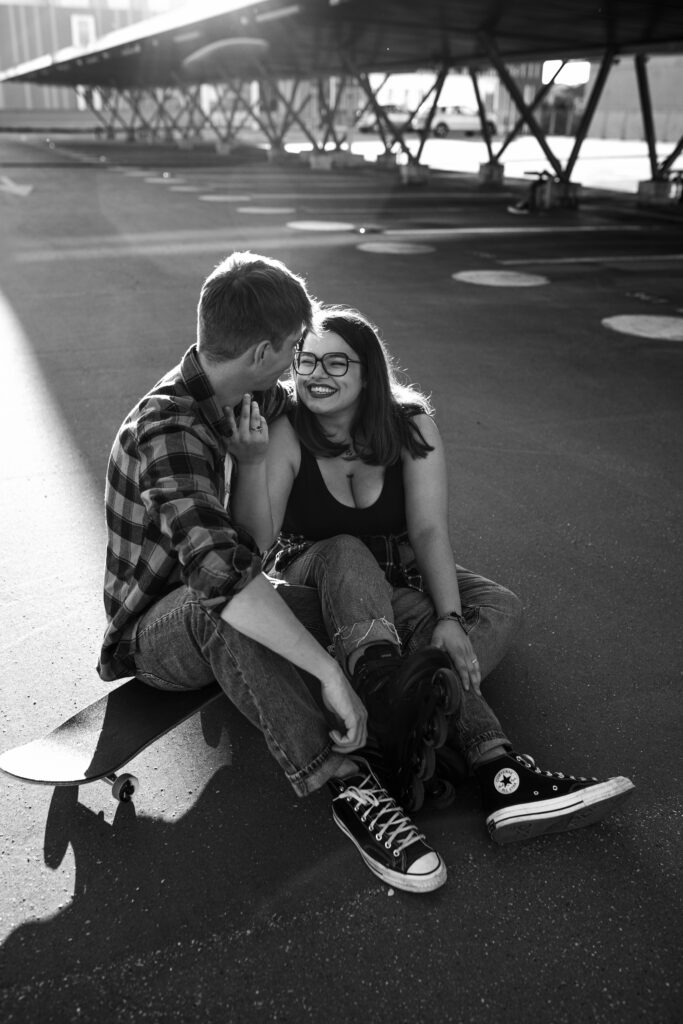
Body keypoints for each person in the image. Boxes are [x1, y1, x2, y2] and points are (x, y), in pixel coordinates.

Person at [99, 252, 447, 895]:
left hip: (236, 591)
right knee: (219, 607)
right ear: (263, 350)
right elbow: (226, 582)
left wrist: (261, 459)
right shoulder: (167, 430)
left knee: (343, 551)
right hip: (159, 633)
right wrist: (324, 671)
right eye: (294, 349)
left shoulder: (254, 393)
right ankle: (344, 776)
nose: (300, 361)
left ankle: (391, 699)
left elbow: (252, 551)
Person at [230, 304, 635, 845]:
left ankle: (402, 713)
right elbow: (253, 547)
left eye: (335, 363)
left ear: (369, 372)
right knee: (367, 568)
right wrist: (251, 464)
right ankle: (498, 769)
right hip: (317, 574)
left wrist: (450, 616)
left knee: (496, 608)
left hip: (401, 570)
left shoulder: (409, 424)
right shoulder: (286, 432)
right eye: (305, 362)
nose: (315, 375)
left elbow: (428, 533)